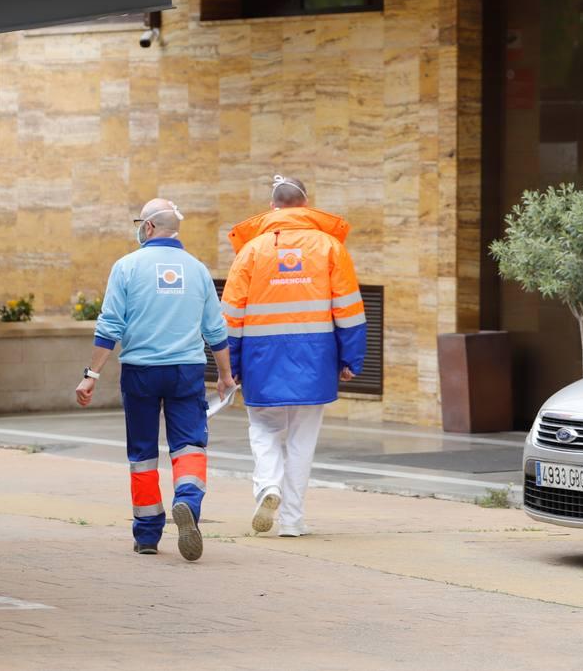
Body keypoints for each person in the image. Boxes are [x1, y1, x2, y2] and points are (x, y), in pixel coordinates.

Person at [75, 198, 235, 560]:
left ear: (148, 227)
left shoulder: (127, 267)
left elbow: (110, 325)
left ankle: (147, 534)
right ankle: (188, 504)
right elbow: (215, 328)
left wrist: (91, 375)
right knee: (190, 444)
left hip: (141, 372)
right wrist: (225, 375)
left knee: (144, 453)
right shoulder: (196, 270)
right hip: (186, 370)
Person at [221, 175, 367, 537]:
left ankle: (267, 486)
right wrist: (352, 359)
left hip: (261, 358)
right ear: (306, 205)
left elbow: (230, 316)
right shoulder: (331, 247)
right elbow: (348, 309)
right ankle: (292, 521)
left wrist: (231, 366)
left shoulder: (251, 251)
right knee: (303, 439)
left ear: (273, 208)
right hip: (315, 359)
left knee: (263, 428)